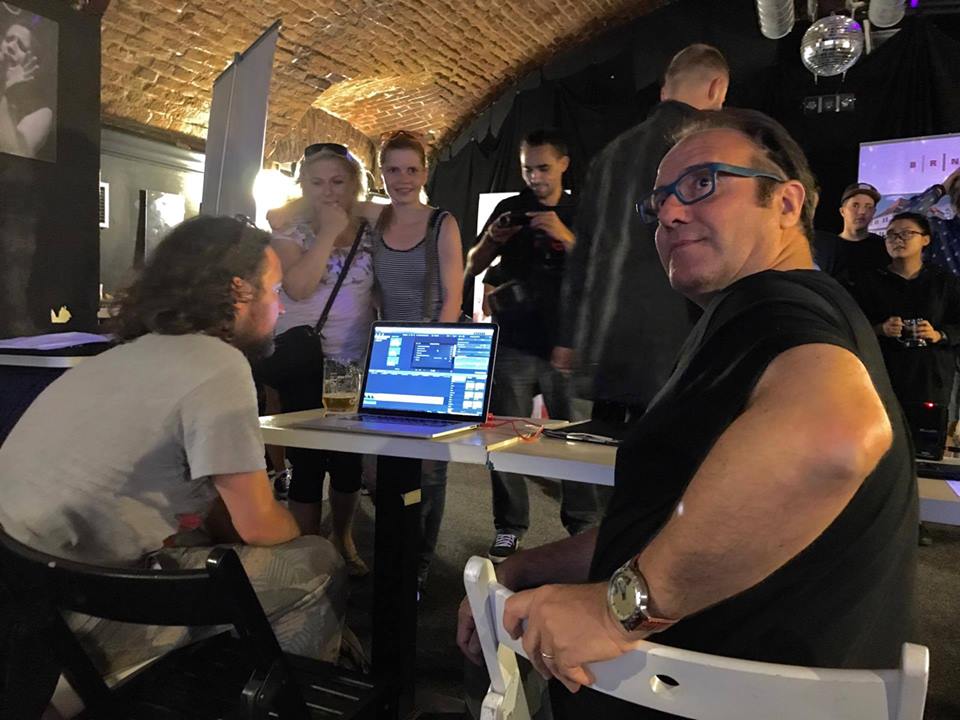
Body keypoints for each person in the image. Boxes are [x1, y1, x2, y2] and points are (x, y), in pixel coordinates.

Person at [457, 109, 916, 719]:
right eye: (659, 201)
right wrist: (525, 567)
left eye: (703, 183)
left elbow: (834, 438)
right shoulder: (760, 315)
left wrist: (616, 611)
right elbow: (667, 522)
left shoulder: (776, 306)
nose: (670, 212)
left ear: (785, 203)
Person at [0, 216, 348, 678]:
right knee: (316, 561)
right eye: (275, 290)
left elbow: (208, 507)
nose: (280, 308)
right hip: (70, 626)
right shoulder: (219, 364)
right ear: (240, 291)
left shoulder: (121, 355)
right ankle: (289, 695)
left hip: (22, 587)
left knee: (203, 542)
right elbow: (261, 527)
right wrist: (303, 534)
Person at [560, 43, 728, 424]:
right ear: (717, 88)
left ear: (664, 91)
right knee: (665, 455)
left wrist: (569, 337)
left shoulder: (609, 155)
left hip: (603, 346)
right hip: (676, 348)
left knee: (600, 453)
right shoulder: (709, 151)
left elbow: (582, 255)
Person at [465, 128, 600, 562]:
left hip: (569, 344)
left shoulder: (582, 210)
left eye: (543, 168)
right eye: (528, 169)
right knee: (506, 439)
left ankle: (583, 525)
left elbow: (603, 272)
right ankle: (509, 526)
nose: (535, 177)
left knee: (577, 442)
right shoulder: (510, 209)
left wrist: (566, 234)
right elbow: (473, 265)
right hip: (514, 341)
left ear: (563, 164)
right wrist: (493, 240)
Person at [268, 143, 376, 577]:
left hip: (348, 364)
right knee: (308, 461)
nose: (328, 191)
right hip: (304, 361)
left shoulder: (369, 230)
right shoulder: (289, 232)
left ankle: (343, 537)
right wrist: (328, 232)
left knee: (348, 461)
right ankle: (309, 554)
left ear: (354, 185)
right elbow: (297, 287)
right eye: (317, 182)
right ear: (304, 186)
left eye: (337, 181)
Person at [372, 129, 464, 593]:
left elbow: (453, 297)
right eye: (393, 170)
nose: (402, 178)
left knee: (430, 466)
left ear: (425, 173)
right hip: (385, 355)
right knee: (386, 461)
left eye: (411, 169)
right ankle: (394, 549)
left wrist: (431, 359)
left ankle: (420, 561)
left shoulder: (441, 223)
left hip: (432, 351)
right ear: (381, 173)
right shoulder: (375, 220)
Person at [845, 211, 960, 446]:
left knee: (925, 446)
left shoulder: (944, 281)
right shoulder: (869, 281)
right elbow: (851, 325)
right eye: (891, 235)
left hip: (930, 378)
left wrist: (938, 334)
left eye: (906, 233)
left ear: (925, 239)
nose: (897, 240)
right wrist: (880, 329)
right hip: (883, 376)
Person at [0, 17, 53, 160]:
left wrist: (6, 89)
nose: (11, 46)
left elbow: (14, 154)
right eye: (8, 39)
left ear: (33, 65)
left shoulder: (41, 113)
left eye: (21, 47)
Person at [815, 182, 888, 276]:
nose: (862, 212)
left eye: (868, 207)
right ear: (842, 211)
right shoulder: (827, 249)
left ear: (874, 212)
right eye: (855, 205)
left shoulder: (883, 247)